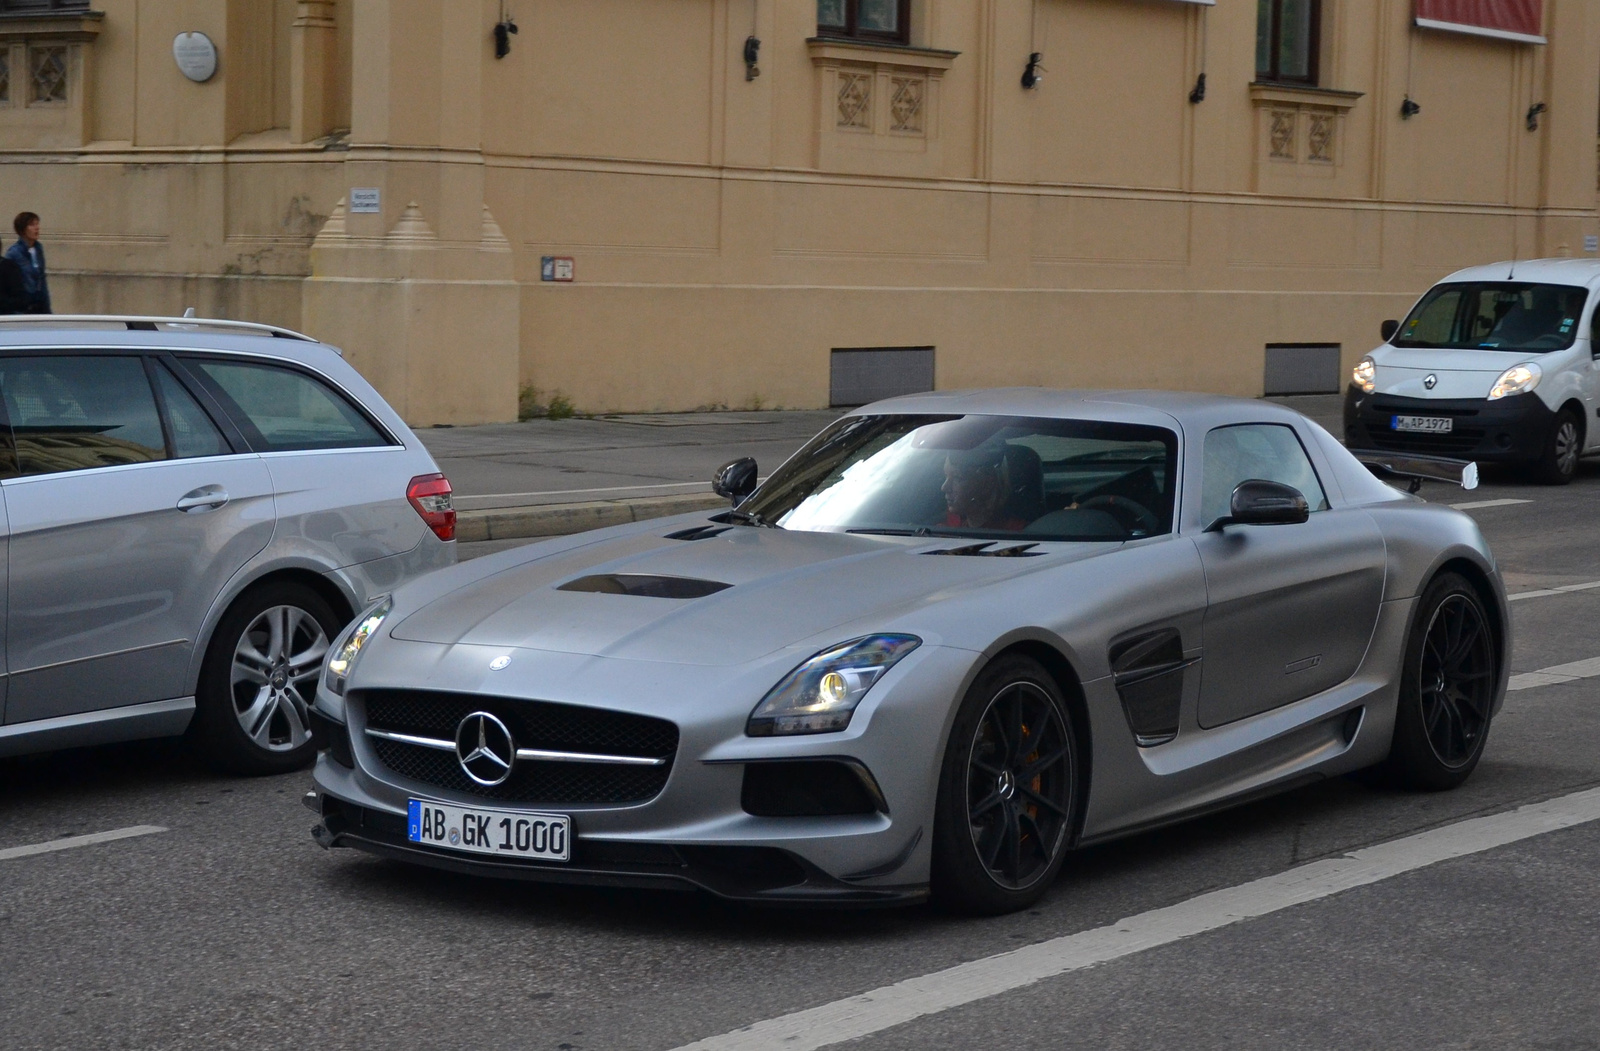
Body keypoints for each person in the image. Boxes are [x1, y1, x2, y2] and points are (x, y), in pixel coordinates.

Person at [941, 442, 1034, 532]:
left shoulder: (1019, 533)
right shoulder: (940, 529)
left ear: (987, 484)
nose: (944, 487)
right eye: (946, 476)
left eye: (958, 478)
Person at [5, 211, 50, 314]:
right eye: (32, 225)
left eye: (37, 224)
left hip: (39, 306)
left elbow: (42, 279)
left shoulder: (38, 249)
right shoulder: (14, 253)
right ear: (23, 229)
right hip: (22, 309)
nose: (37, 228)